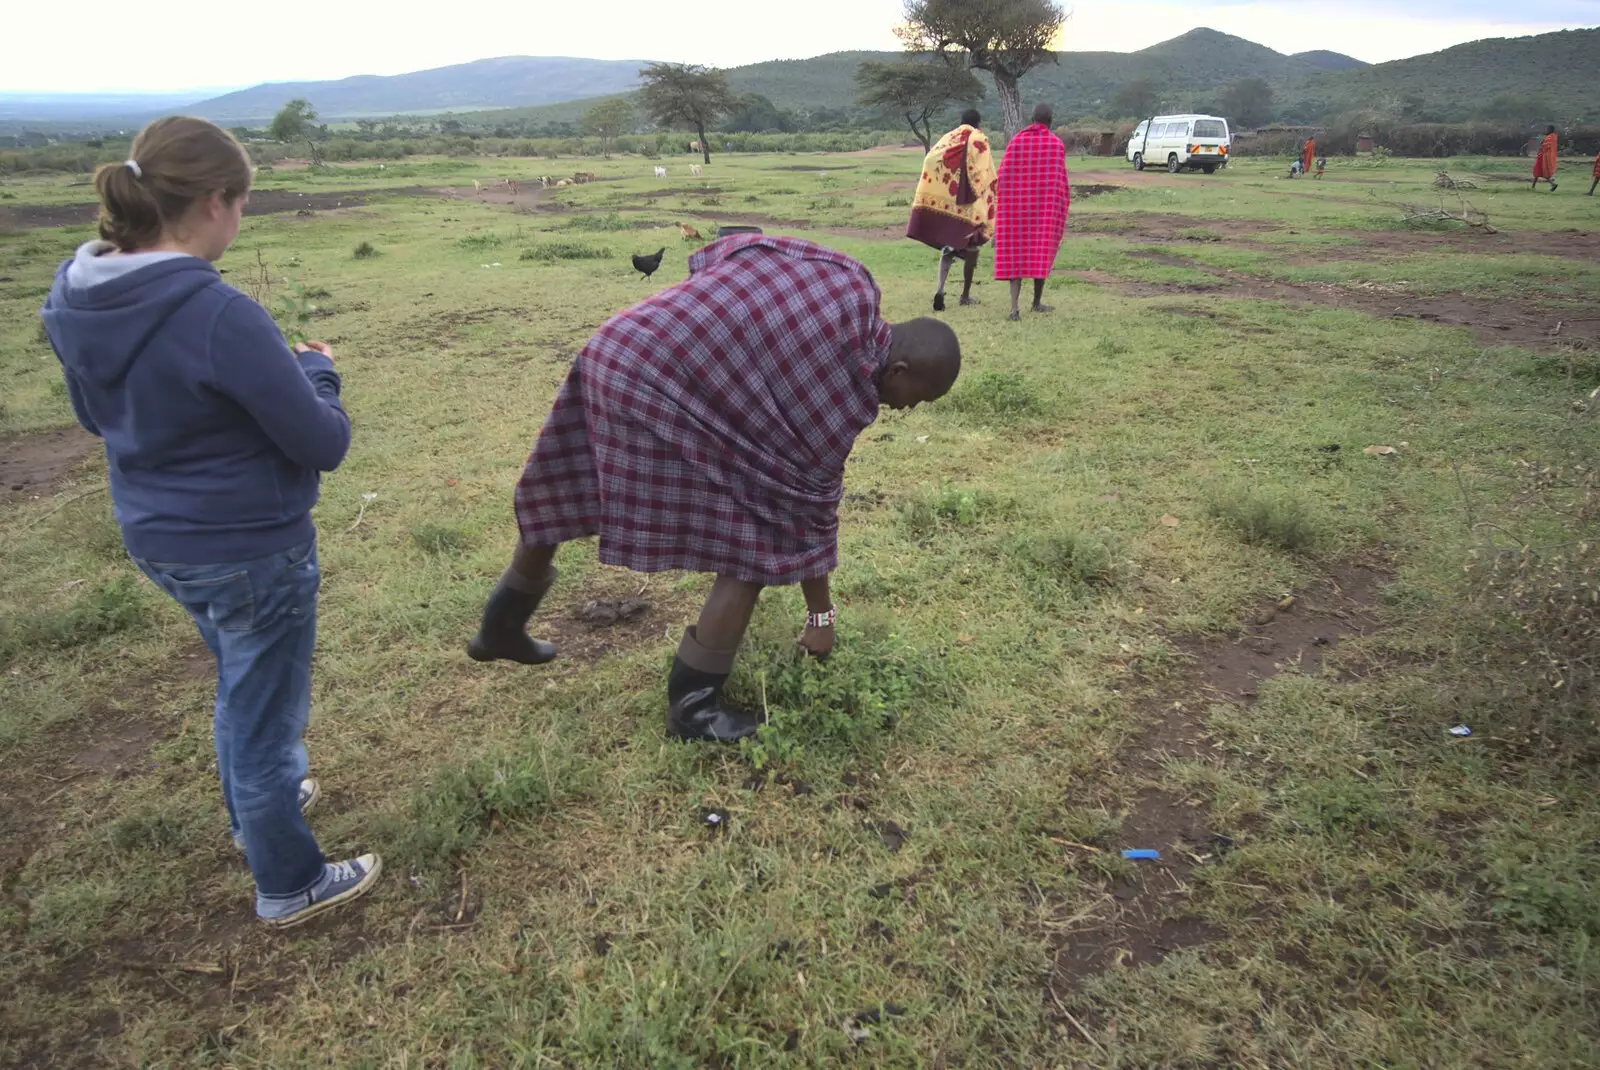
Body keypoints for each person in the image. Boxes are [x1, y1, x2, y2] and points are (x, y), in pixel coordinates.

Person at [38, 117, 382, 929]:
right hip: (249, 545)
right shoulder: (217, 312)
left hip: (159, 538)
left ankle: (258, 805)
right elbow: (321, 442)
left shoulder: (75, 292)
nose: (241, 220)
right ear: (217, 202)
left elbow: (97, 419)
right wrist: (318, 371)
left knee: (241, 684)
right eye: (243, 203)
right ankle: (290, 881)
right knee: (262, 713)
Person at [467, 235, 962, 742]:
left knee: (571, 482)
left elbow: (741, 248)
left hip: (619, 345)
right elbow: (807, 513)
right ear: (899, 371)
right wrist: (821, 616)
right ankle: (694, 708)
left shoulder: (850, 282)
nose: (909, 410)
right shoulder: (843, 390)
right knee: (760, 539)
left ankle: (500, 626)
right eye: (918, 399)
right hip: (660, 383)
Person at [906, 108, 998, 312]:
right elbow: (985, 172)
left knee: (948, 248)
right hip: (968, 205)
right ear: (978, 124)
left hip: (949, 203)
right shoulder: (978, 139)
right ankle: (965, 295)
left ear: (961, 121)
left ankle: (940, 289)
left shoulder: (950, 137)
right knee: (972, 247)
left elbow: (931, 159)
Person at [993, 103, 1070, 322]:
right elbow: (1059, 182)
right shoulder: (1055, 144)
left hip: (1016, 211)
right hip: (1043, 212)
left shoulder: (1016, 141)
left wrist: (1006, 208)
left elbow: (1003, 177)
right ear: (1050, 121)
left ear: (1032, 119)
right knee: (1040, 252)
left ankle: (1014, 308)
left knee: (1015, 255)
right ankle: (1036, 303)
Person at [1533, 125, 1559, 191]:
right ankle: (1552, 184)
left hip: (1543, 157)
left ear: (1550, 130)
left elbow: (1546, 146)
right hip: (1543, 156)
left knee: (1539, 171)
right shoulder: (1552, 136)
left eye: (1547, 129)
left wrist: (1542, 143)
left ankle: (1552, 184)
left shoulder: (1550, 137)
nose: (1546, 130)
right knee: (1538, 172)